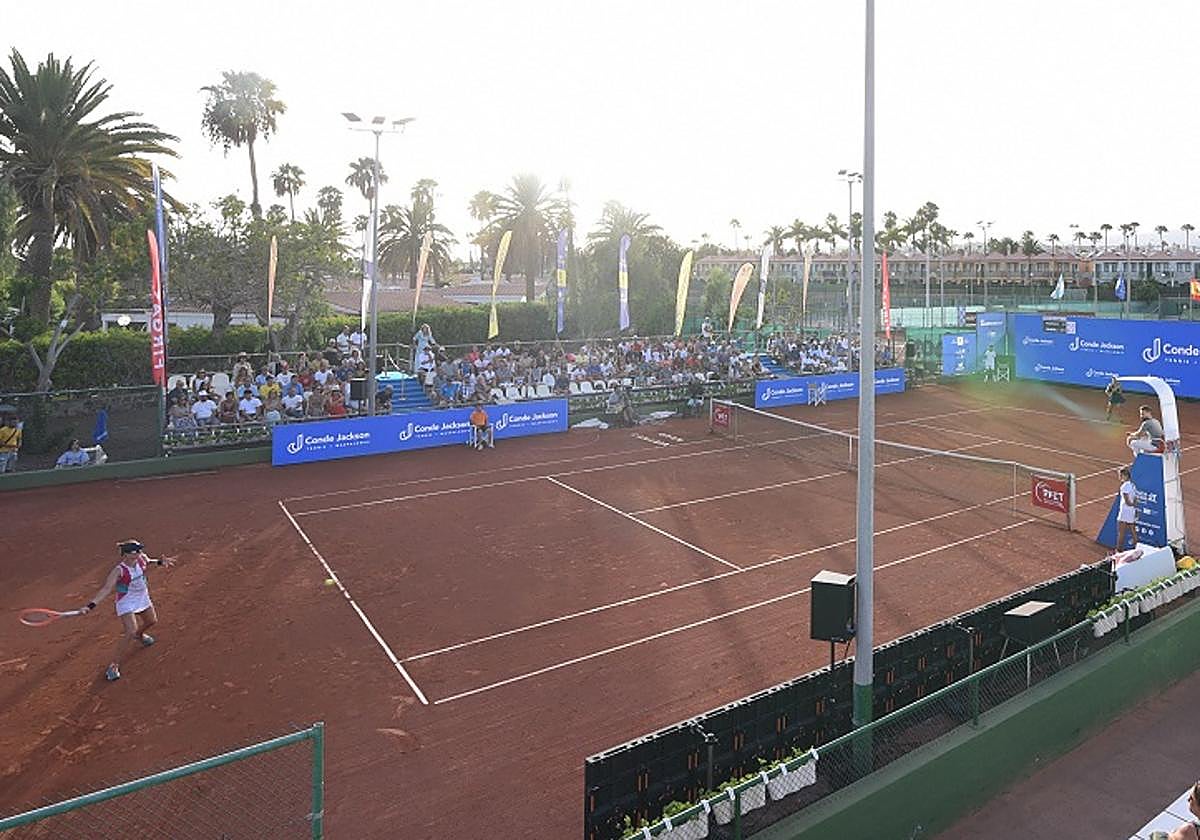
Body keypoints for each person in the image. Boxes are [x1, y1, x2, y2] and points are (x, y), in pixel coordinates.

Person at [80, 540, 177, 681]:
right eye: (135, 551)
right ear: (125, 554)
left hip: (142, 596)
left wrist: (160, 562)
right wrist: (90, 605)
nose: (139, 553)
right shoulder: (119, 571)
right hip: (126, 600)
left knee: (152, 621)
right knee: (130, 631)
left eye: (139, 550)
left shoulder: (142, 558)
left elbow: (149, 561)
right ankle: (113, 666)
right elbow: (106, 589)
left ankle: (140, 635)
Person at [1116, 466, 1139, 551]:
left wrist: (1131, 504)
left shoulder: (1124, 486)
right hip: (1131, 511)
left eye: (1120, 475)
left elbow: (1127, 501)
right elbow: (1135, 499)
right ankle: (1137, 548)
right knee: (1133, 530)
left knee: (1121, 532)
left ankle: (1118, 551)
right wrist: (1134, 506)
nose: (1119, 477)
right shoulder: (1133, 485)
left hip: (1124, 511)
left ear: (1125, 476)